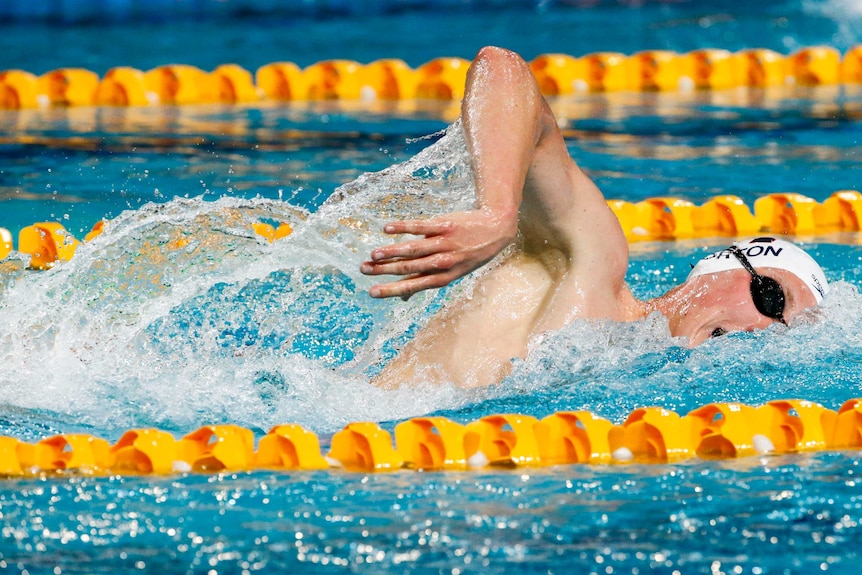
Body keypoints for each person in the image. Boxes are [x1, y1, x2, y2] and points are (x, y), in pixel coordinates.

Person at [359, 46, 828, 389]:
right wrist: (498, 212)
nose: (764, 329)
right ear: (719, 268)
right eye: (771, 297)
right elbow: (502, 68)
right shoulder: (590, 266)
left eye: (785, 330)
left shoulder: (634, 384)